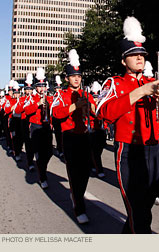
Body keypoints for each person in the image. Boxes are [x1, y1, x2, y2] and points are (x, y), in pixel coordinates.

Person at [97, 16, 159, 233]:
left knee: (145, 206)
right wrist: (139, 92)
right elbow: (104, 113)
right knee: (137, 209)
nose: (139, 57)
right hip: (129, 148)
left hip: (154, 147)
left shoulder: (154, 83)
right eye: (133, 55)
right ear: (123, 60)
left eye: (141, 54)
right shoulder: (114, 83)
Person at [52, 49, 96, 224]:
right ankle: (79, 207)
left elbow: (96, 113)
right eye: (73, 76)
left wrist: (92, 107)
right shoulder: (61, 95)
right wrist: (75, 106)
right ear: (67, 78)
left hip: (85, 135)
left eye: (79, 75)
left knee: (85, 172)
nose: (77, 78)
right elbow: (56, 113)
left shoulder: (86, 94)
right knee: (74, 173)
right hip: (69, 137)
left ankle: (76, 195)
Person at [24, 68, 53, 189]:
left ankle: (42, 168)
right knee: (39, 154)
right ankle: (42, 177)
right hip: (35, 127)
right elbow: (26, 111)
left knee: (49, 152)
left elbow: (53, 112)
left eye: (43, 86)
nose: (42, 88)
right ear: (36, 87)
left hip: (46, 127)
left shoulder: (49, 97)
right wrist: (37, 104)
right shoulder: (31, 98)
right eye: (39, 86)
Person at [89, 81, 106, 178]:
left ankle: (91, 164)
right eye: (94, 97)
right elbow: (95, 114)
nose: (96, 99)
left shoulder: (101, 103)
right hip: (92, 129)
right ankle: (99, 169)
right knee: (95, 151)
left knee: (99, 149)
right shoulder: (90, 104)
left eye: (97, 97)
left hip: (101, 129)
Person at [51, 75, 64, 158]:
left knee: (64, 136)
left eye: (59, 88)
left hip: (63, 118)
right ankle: (60, 150)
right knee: (58, 135)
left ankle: (63, 149)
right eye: (57, 88)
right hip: (55, 119)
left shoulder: (63, 96)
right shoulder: (53, 97)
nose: (58, 90)